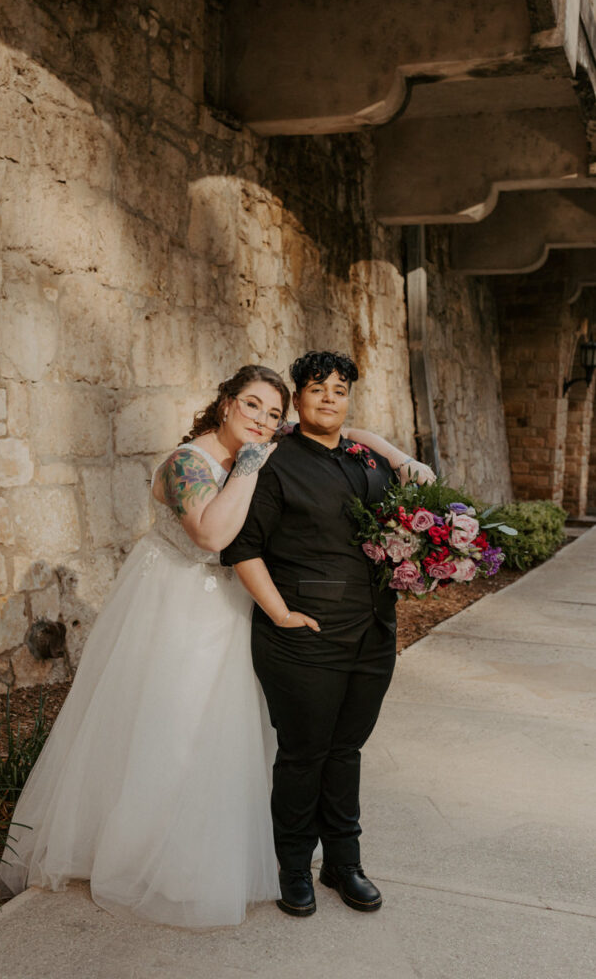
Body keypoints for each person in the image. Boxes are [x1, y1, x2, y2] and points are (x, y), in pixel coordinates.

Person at [0, 361, 432, 928]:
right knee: (172, 731)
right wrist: (252, 465)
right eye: (252, 405)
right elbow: (213, 535)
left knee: (235, 739)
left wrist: (400, 459)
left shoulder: (263, 442)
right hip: (179, 604)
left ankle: (272, 854)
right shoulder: (188, 462)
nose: (262, 419)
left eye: (273, 413)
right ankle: (151, 854)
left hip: (235, 608)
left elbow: (354, 435)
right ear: (226, 402)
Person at [222, 351, 410, 919]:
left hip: (373, 632)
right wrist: (279, 614)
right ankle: (293, 866)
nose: (329, 397)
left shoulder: (368, 460)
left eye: (339, 389)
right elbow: (242, 546)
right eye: (317, 388)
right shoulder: (271, 462)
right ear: (298, 399)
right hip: (303, 634)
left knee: (346, 750)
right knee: (304, 754)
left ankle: (344, 864)